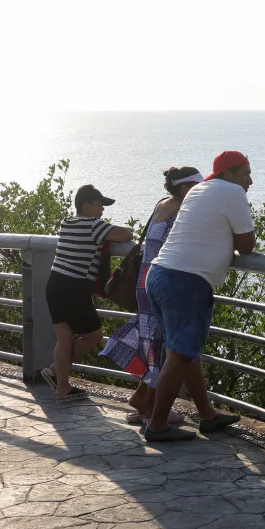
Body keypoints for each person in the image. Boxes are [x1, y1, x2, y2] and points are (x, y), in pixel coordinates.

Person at [141, 150, 254, 441]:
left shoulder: (198, 190)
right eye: (246, 173)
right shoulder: (232, 191)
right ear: (229, 173)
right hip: (187, 280)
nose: (250, 181)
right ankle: (156, 425)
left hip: (159, 273)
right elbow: (247, 244)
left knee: (185, 353)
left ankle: (207, 415)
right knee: (178, 356)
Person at [100, 167, 203, 426]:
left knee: (155, 345)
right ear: (183, 188)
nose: (202, 191)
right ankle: (153, 409)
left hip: (145, 281)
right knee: (166, 350)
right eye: (197, 186)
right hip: (162, 282)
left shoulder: (162, 205)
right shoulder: (182, 211)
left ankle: (144, 401)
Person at [41, 185, 133, 402]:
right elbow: (126, 234)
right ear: (86, 205)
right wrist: (108, 237)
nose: (102, 209)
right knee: (94, 335)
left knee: (64, 335)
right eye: (99, 205)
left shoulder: (67, 222)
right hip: (74, 287)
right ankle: (59, 376)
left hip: (56, 284)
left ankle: (60, 379)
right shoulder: (93, 226)